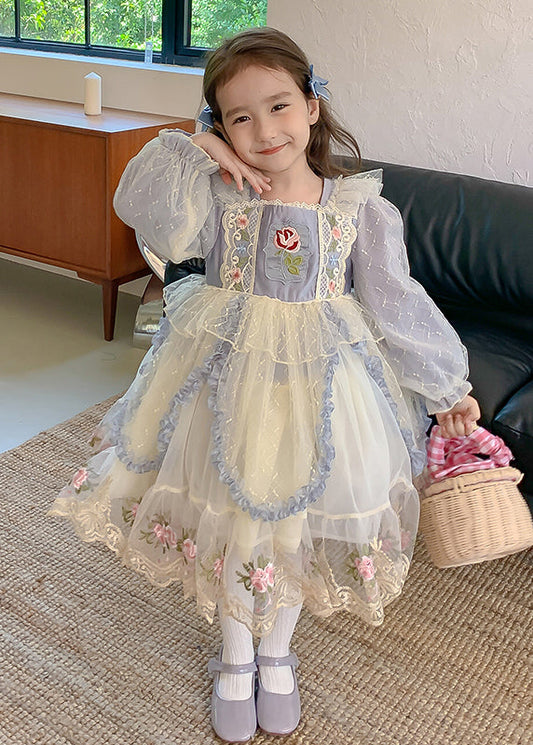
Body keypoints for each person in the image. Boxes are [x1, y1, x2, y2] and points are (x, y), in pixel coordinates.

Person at [49, 27, 480, 743]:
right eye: (239, 117)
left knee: (296, 521)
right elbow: (139, 204)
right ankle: (235, 653)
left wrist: (445, 386)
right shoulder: (216, 194)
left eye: (279, 106)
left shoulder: (357, 208)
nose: (264, 130)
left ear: (311, 107)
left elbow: (395, 302)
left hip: (324, 389)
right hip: (225, 382)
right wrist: (199, 147)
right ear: (221, 126)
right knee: (231, 515)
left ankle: (276, 651)